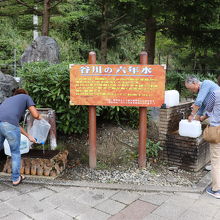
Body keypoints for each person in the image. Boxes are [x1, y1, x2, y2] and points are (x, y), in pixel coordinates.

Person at [0, 88, 41, 186]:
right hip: (8, 125)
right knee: (15, 152)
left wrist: (28, 136)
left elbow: (14, 125)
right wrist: (41, 118)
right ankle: (15, 178)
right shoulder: (26, 97)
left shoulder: (8, 101)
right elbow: (35, 115)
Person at [200, 89, 220, 198]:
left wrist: (202, 117)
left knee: (216, 160)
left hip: (217, 130)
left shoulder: (215, 93)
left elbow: (208, 109)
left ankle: (216, 190)